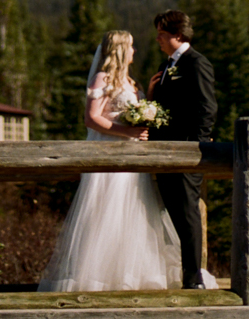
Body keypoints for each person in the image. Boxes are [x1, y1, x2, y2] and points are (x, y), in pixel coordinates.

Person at [38, 29, 181, 292]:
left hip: (132, 159)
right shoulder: (102, 78)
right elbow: (91, 118)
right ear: (119, 50)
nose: (135, 51)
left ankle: (130, 276)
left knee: (134, 213)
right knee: (108, 212)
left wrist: (147, 97)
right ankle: (97, 278)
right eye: (131, 46)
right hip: (109, 157)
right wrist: (126, 131)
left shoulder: (130, 81)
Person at [148, 9, 218, 290]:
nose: (158, 40)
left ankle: (193, 278)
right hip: (164, 153)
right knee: (173, 213)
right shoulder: (167, 66)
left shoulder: (196, 63)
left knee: (188, 213)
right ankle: (178, 272)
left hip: (186, 153)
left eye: (162, 35)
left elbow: (207, 107)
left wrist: (195, 148)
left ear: (178, 35)